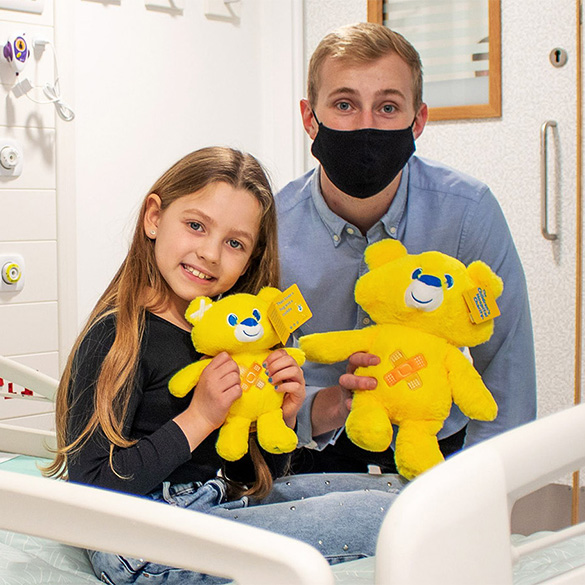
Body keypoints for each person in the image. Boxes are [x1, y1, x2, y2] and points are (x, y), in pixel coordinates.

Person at [44, 146, 404, 585]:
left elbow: (239, 478)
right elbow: (89, 490)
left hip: (205, 506)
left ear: (250, 260)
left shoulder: (222, 338)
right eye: (196, 226)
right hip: (139, 545)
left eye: (234, 243)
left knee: (397, 493)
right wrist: (200, 417)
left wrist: (279, 422)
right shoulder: (117, 337)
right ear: (154, 217)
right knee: (382, 517)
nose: (211, 254)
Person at [276, 22, 536, 474]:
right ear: (308, 117)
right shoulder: (271, 226)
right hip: (309, 452)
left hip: (439, 453)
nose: (365, 125)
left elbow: (508, 372)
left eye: (388, 107)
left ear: (418, 120)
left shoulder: (468, 213)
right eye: (344, 104)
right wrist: (327, 409)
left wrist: (480, 490)